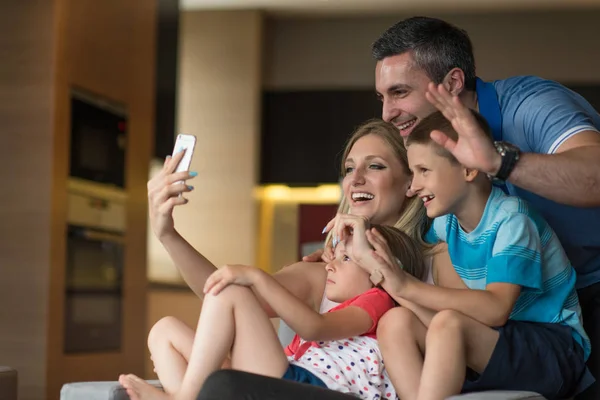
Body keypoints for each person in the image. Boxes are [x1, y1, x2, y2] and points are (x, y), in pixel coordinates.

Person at [134, 119, 462, 398]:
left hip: (319, 389)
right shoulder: (326, 270)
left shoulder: (440, 258)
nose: (355, 178)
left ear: (411, 180)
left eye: (374, 165)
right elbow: (224, 290)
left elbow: (469, 338)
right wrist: (167, 234)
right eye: (349, 168)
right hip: (285, 379)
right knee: (167, 329)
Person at [370, 16, 600, 399]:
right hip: (520, 313)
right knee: (403, 322)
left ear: (454, 84)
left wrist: (499, 160)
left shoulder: (531, 106)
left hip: (572, 304)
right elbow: (417, 235)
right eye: (382, 97)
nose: (387, 113)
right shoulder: (434, 166)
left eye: (399, 92)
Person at [120, 222, 428, 400]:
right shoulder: (342, 306)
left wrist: (256, 276)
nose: (330, 264)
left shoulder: (379, 300)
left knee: (232, 291)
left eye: (348, 259)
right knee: (165, 330)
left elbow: (313, 327)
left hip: (307, 387)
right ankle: (184, 396)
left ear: (379, 272)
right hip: (287, 372)